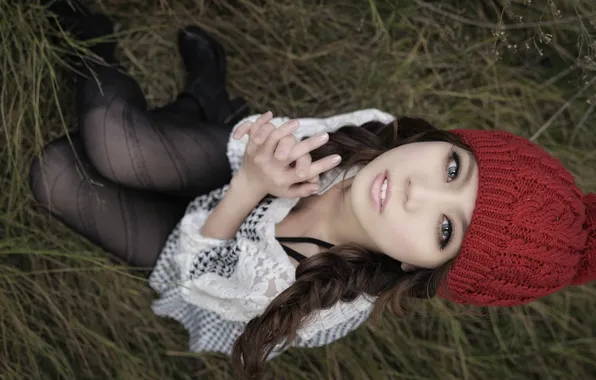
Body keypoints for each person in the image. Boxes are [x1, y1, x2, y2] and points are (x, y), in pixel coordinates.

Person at [30, 2, 596, 379]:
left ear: (422, 269)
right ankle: (100, 48)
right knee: (112, 142)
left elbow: (199, 273)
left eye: (445, 229)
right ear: (453, 143)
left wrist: (251, 188)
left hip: (208, 247)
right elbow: (269, 138)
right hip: (232, 172)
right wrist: (257, 161)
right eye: (452, 170)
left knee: (54, 173)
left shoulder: (315, 296)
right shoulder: (377, 133)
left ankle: (198, 101)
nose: (414, 193)